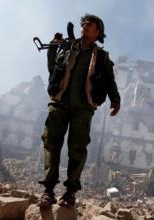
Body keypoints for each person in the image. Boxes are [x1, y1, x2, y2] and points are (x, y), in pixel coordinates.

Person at [38, 14, 121, 208]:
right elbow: (53, 70)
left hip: (83, 107)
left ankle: (70, 192)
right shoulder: (67, 48)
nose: (84, 26)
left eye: (89, 25)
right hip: (59, 102)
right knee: (51, 143)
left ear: (98, 31)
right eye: (83, 24)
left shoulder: (102, 56)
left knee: (77, 148)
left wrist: (115, 99)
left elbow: (109, 80)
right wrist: (53, 47)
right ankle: (48, 191)